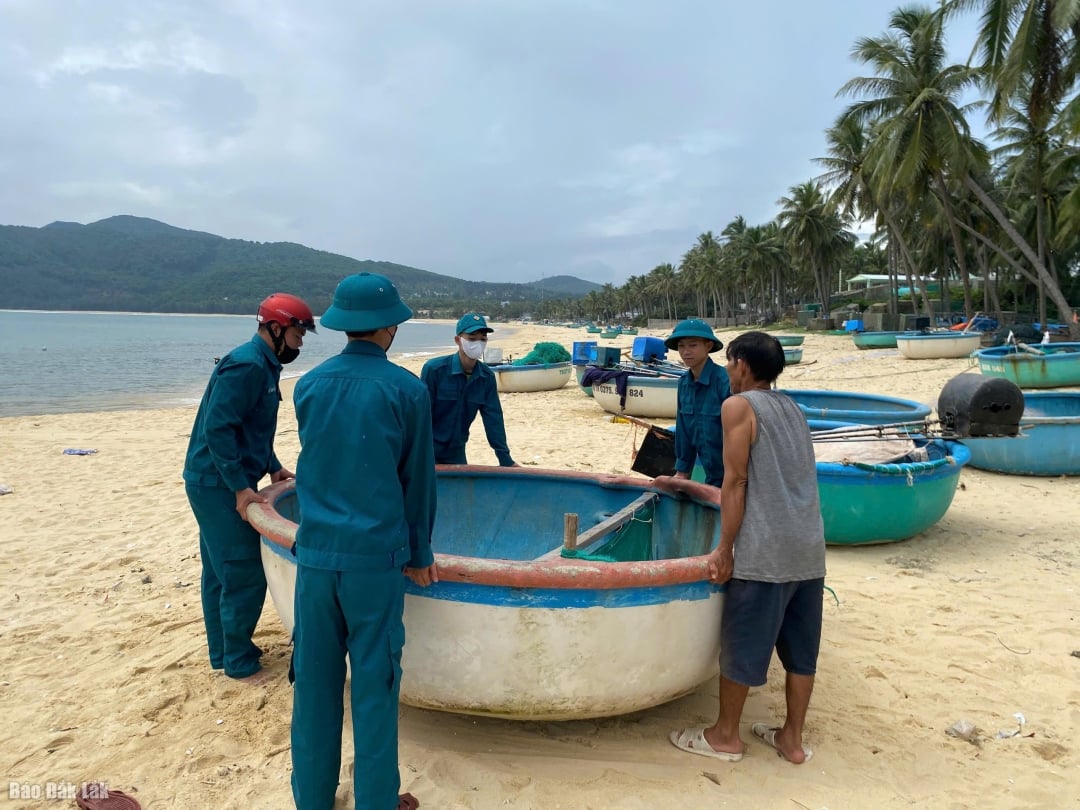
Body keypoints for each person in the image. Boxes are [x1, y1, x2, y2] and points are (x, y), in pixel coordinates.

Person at [290, 272, 438, 810]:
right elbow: (417, 482)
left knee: (313, 686)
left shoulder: (308, 385)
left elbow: (322, 465)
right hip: (375, 565)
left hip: (314, 559)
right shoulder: (407, 390)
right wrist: (420, 554)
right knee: (374, 688)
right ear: (389, 328)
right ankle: (376, 800)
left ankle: (311, 797)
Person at [669, 330, 826, 765]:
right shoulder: (792, 407)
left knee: (742, 642)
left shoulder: (737, 406)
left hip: (767, 549)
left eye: (732, 361)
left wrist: (724, 549)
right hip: (809, 548)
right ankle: (791, 741)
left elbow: (735, 481)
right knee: (800, 651)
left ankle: (724, 737)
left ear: (740, 364)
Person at [183, 293, 316, 680]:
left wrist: (272, 467)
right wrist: (241, 488)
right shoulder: (246, 366)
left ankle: (223, 653)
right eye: (298, 333)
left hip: (220, 477)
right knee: (243, 571)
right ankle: (238, 660)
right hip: (216, 483)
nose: (301, 342)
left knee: (217, 570)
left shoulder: (264, 363)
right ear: (276, 328)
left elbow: (251, 428)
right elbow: (218, 428)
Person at [420, 313, 518, 466]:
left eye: (483, 339)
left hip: (456, 452)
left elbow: (493, 419)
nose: (478, 343)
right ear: (458, 340)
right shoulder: (434, 370)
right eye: (472, 339)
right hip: (426, 451)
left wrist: (505, 459)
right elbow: (421, 416)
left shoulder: (486, 377)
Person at [664, 319, 731, 487]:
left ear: (708, 346)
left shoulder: (725, 381)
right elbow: (683, 431)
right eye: (681, 346)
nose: (686, 352)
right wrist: (682, 471)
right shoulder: (683, 384)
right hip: (710, 475)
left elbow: (737, 434)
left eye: (693, 345)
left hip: (733, 474)